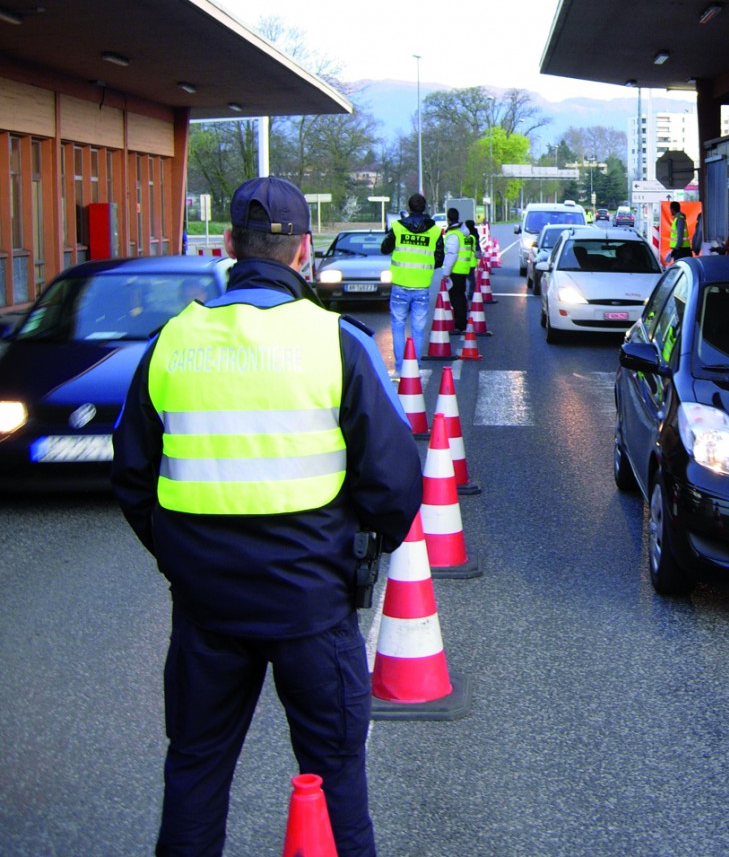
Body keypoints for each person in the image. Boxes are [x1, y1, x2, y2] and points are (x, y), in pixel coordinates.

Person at [111, 175, 422, 857]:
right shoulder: (339, 343)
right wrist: (360, 547)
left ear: (228, 244)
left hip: (205, 606)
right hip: (311, 603)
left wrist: (182, 555)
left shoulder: (172, 342)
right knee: (335, 774)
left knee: (195, 768)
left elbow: (133, 476)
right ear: (304, 251)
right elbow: (396, 480)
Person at [380, 192, 444, 375]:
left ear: (409, 208)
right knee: (418, 329)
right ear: (424, 208)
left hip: (400, 285)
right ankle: (414, 368)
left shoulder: (398, 227)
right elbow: (439, 258)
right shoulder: (434, 231)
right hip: (421, 286)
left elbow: (384, 249)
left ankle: (400, 369)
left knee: (398, 327)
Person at [442, 208, 473, 334]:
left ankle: (460, 323)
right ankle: (462, 321)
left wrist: (446, 272)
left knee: (456, 298)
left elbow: (452, 254)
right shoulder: (463, 233)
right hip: (463, 268)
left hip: (456, 269)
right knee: (460, 295)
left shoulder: (453, 234)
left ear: (448, 218)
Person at [464, 218, 482, 301]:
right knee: (471, 279)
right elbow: (478, 248)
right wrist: (479, 256)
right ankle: (471, 294)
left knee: (464, 279)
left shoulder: (465, 236)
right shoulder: (475, 235)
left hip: (464, 261)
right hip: (472, 261)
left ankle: (464, 294)